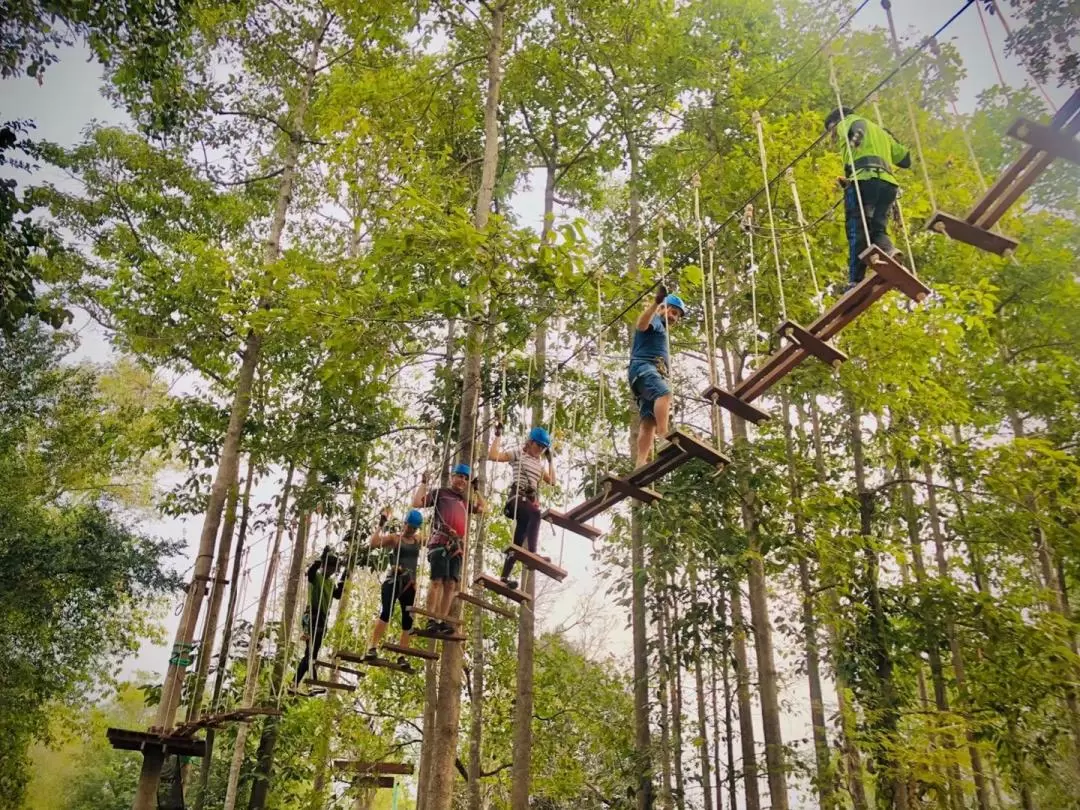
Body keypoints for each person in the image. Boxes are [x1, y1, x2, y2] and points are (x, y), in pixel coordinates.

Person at [824, 106, 912, 288]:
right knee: (877, 228)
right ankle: (889, 251)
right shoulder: (881, 133)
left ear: (834, 124)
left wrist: (856, 139)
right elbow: (905, 160)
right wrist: (890, 136)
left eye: (831, 132)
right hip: (888, 185)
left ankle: (855, 280)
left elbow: (857, 127)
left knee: (857, 229)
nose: (833, 136)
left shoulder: (846, 122)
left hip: (863, 180)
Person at [410, 463, 485, 634]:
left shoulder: (464, 502)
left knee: (451, 585)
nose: (462, 481)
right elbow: (416, 502)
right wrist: (423, 483)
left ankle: (441, 621)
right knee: (437, 581)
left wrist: (476, 490)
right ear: (452, 476)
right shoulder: (440, 494)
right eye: (459, 476)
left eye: (465, 479)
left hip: (457, 546)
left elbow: (483, 508)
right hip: (440, 541)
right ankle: (431, 619)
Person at [488, 424, 556, 590]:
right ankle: (532, 553)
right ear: (530, 442)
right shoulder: (518, 453)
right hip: (516, 499)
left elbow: (552, 481)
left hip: (527, 505)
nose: (539, 449)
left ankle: (504, 576)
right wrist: (497, 435)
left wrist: (550, 460)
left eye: (543, 447)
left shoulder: (539, 466)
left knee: (518, 542)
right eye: (538, 445)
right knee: (536, 513)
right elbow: (493, 456)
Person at [628, 286, 686, 467]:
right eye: (672, 312)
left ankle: (640, 463)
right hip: (644, 368)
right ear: (663, 308)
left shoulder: (662, 330)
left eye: (677, 315)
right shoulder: (656, 320)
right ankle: (664, 437)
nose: (673, 317)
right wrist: (656, 303)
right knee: (665, 395)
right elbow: (641, 324)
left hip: (644, 375)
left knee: (648, 422)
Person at [364, 508, 425, 665]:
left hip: (409, 585)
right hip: (393, 581)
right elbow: (373, 543)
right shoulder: (395, 539)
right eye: (409, 526)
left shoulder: (418, 540)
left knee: (408, 621)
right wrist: (381, 524)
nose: (411, 530)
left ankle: (402, 655)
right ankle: (372, 647)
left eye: (414, 528)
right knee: (386, 612)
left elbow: (433, 538)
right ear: (404, 524)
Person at [294, 545, 347, 688]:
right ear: (324, 566)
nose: (330, 571)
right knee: (311, 653)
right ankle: (311, 683)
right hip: (312, 616)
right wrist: (322, 557)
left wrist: (345, 574)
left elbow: (338, 594)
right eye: (328, 567)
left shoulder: (330, 582)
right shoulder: (316, 578)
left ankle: (297, 684)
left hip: (322, 619)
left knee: (311, 653)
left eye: (333, 569)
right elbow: (311, 571)